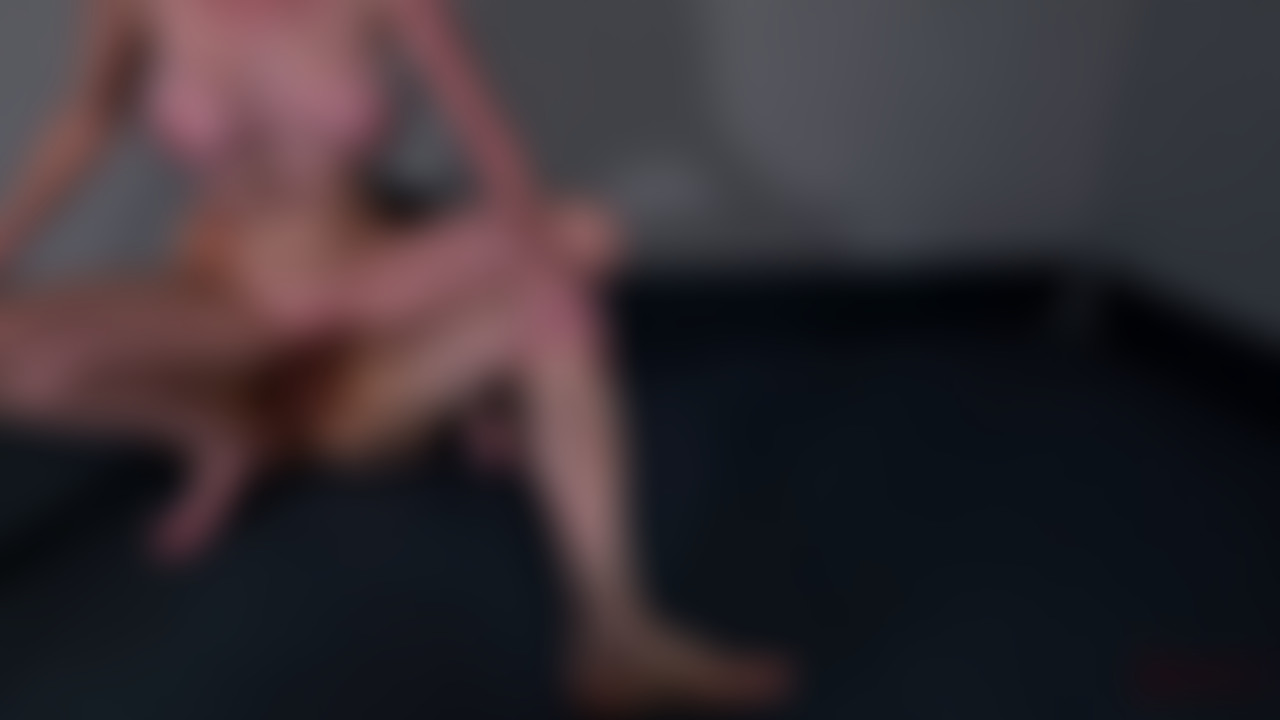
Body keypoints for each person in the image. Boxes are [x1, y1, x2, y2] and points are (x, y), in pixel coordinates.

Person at [0, 0, 791, 713]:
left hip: (364, 316)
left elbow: (496, 153)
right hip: (225, 316)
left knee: (574, 257)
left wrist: (514, 278)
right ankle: (218, 433)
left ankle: (615, 628)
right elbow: (85, 118)